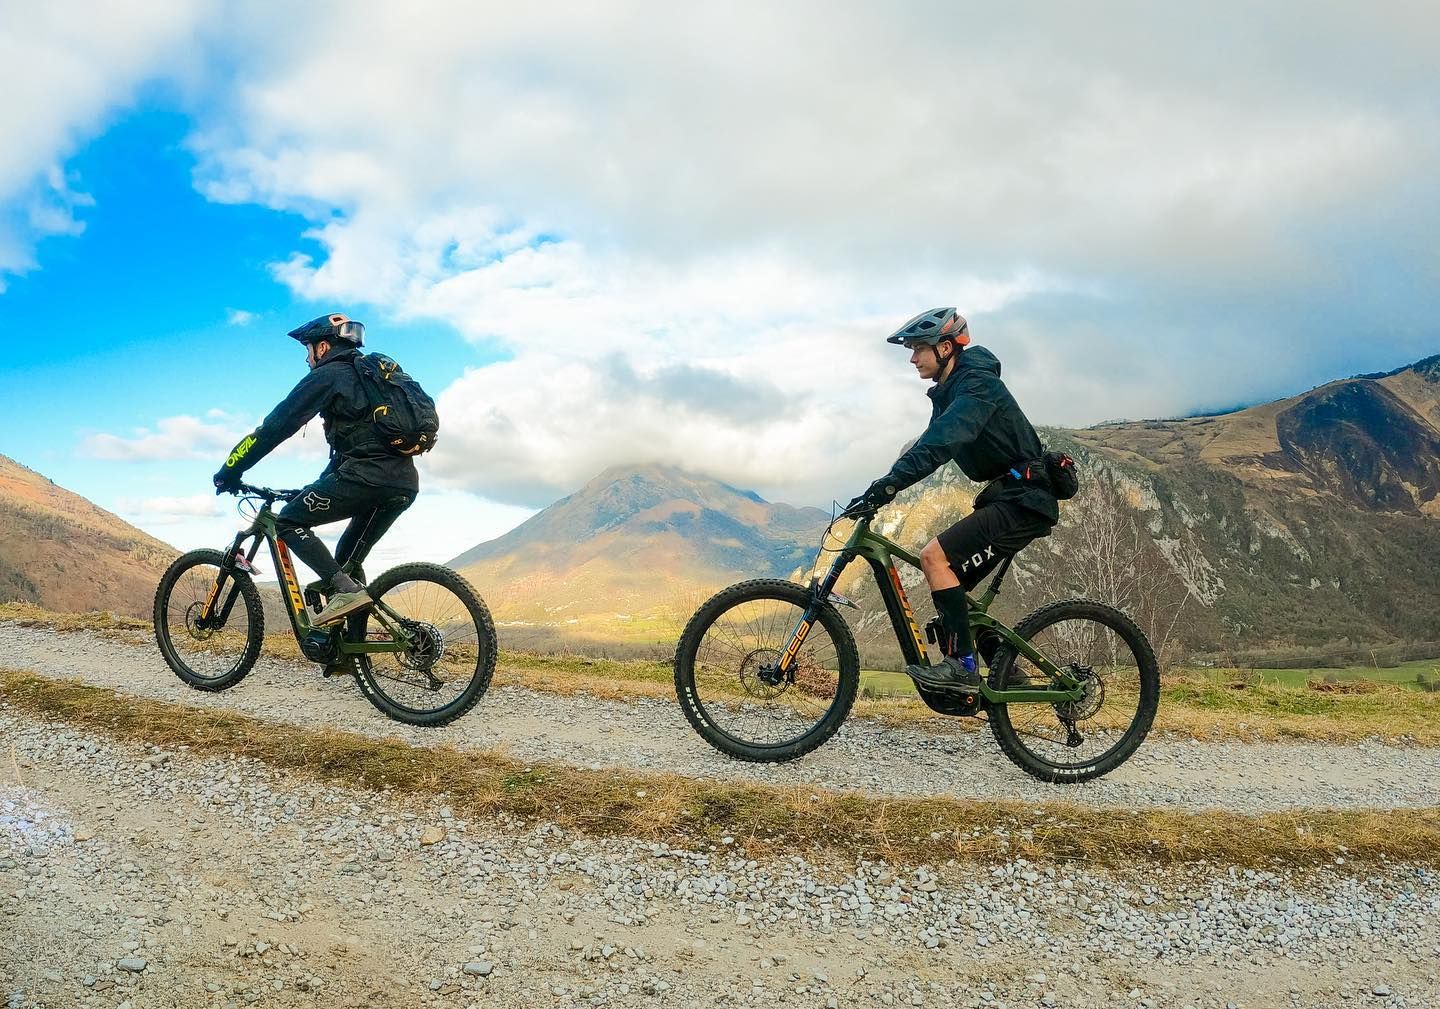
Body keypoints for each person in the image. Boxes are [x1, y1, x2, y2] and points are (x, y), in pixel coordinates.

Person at [847, 307, 1059, 692]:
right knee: (951, 589)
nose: (912, 358)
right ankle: (1004, 669)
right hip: (1007, 497)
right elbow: (926, 450)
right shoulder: (951, 391)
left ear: (946, 347)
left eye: (918, 349)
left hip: (1024, 501)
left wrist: (888, 485)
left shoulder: (977, 387)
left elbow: (941, 443)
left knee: (934, 557)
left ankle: (962, 667)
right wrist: (882, 489)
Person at [213, 314, 419, 626]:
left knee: (288, 522)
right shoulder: (369, 379)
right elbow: (351, 451)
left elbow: (274, 427)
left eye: (307, 351)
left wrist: (230, 469)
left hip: (365, 478)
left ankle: (343, 593)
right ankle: (349, 650)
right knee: (347, 563)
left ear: (323, 347)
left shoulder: (328, 375)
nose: (307, 359)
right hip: (402, 484)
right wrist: (313, 488)